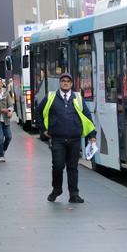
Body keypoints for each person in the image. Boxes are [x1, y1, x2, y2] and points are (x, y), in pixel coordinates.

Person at [36, 73, 96, 204]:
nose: (65, 83)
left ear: (72, 84)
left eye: (68, 81)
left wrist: (92, 135)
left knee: (73, 167)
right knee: (57, 166)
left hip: (74, 139)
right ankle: (57, 189)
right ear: (60, 83)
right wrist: (43, 130)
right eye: (63, 81)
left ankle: (74, 194)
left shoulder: (78, 98)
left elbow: (87, 117)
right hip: (57, 139)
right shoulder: (51, 97)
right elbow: (38, 112)